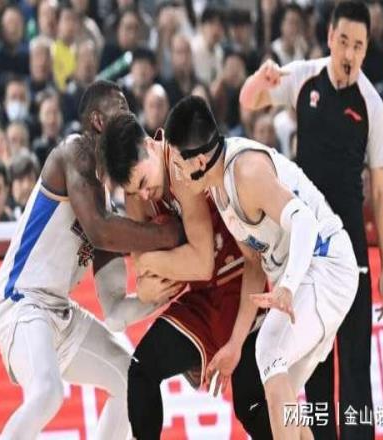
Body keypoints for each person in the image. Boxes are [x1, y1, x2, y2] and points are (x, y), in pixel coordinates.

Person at [0, 80, 183, 439]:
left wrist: (166, 293)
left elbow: (115, 312)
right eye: (121, 109)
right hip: (20, 301)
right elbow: (100, 231)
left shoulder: (105, 204)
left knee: (130, 379)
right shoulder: (73, 153)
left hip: (58, 311)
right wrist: (170, 235)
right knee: (47, 393)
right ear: (97, 121)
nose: (130, 117)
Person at [160, 94, 359, 440]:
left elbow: (304, 221)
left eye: (178, 164)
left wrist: (287, 286)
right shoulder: (217, 186)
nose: (176, 174)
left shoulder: (246, 172)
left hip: (326, 266)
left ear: (200, 160)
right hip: (306, 276)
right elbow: (253, 265)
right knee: (283, 402)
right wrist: (236, 344)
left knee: (269, 351)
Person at [239, 2, 383, 439]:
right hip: (306, 247)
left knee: (355, 365)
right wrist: (260, 78)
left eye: (358, 46)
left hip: (352, 254)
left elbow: (380, 191)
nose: (349, 53)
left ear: (366, 50)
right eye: (343, 41)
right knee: (313, 369)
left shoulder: (371, 103)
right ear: (329, 38)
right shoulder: (304, 77)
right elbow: (249, 101)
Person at [102, 113, 273, 439]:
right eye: (134, 190)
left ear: (151, 145)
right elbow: (146, 287)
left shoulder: (180, 162)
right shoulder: (137, 195)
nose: (144, 194)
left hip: (239, 284)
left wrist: (152, 261)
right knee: (141, 369)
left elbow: (201, 262)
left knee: (251, 407)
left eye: (143, 182)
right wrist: (153, 268)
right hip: (202, 297)